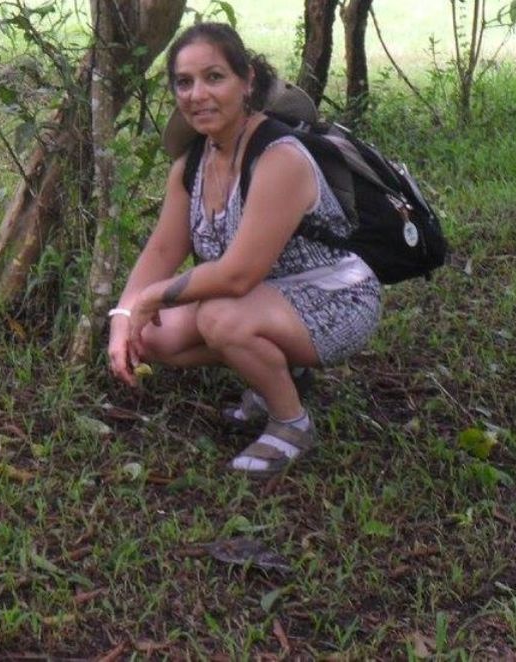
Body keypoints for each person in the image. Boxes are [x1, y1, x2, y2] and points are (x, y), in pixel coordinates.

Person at [106, 23, 382, 479]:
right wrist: (123, 316)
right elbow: (161, 250)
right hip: (262, 298)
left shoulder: (279, 157)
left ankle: (291, 424)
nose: (197, 94)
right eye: (184, 82)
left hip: (336, 297)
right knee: (150, 335)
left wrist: (152, 297)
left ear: (247, 80)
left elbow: (238, 276)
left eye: (214, 77)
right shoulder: (191, 164)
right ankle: (277, 369)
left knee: (218, 316)